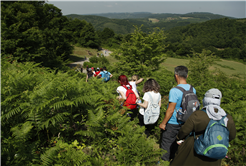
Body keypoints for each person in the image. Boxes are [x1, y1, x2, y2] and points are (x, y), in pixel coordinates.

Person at [170, 88, 236, 166]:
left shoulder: (198, 115)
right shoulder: (227, 118)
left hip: (193, 150)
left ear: (206, 100)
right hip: (214, 154)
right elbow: (231, 136)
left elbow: (184, 131)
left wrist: (179, 138)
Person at [159, 65, 197, 161]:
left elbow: (170, 110)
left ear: (176, 75)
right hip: (186, 122)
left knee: (166, 143)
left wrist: (163, 123)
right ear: (186, 76)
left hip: (173, 122)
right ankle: (173, 159)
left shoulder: (174, 90)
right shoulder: (192, 89)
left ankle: (163, 162)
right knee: (177, 142)